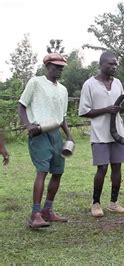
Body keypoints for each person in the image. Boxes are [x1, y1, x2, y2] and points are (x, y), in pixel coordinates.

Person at [18, 53, 73, 228]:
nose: (59, 70)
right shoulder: (36, 82)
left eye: (61, 67)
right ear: (47, 66)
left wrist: (69, 135)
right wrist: (28, 126)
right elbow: (22, 105)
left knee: (58, 171)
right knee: (42, 170)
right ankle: (35, 214)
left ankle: (47, 210)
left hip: (55, 133)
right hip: (39, 131)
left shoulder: (63, 90)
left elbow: (62, 117)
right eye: (56, 66)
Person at [79, 51, 124, 217]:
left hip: (117, 132)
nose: (114, 67)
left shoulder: (118, 83)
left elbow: (120, 106)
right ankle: (95, 203)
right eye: (110, 64)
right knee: (102, 168)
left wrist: (123, 107)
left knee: (117, 167)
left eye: (115, 64)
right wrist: (106, 110)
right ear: (100, 65)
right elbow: (84, 112)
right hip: (99, 133)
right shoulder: (89, 85)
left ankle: (114, 203)